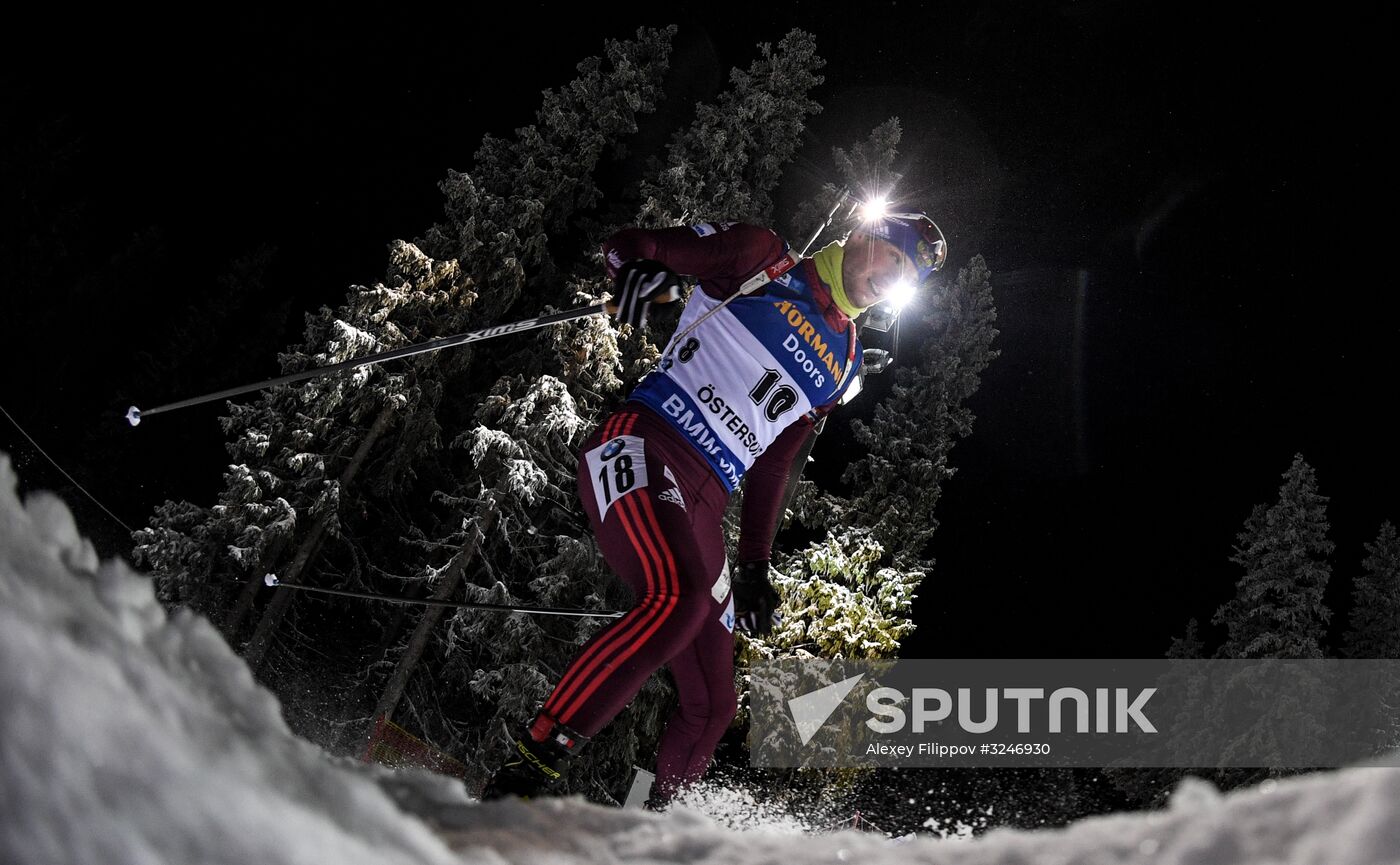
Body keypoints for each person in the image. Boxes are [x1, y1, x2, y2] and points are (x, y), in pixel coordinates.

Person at [481, 211, 947, 806]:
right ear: (860, 236)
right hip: (644, 440)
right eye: (893, 255)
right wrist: (641, 277)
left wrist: (754, 564)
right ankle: (524, 775)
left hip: (707, 500)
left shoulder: (846, 364)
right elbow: (631, 243)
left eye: (908, 273)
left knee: (714, 705)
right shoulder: (764, 258)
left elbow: (776, 462)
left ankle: (656, 834)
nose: (893, 276)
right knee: (680, 600)